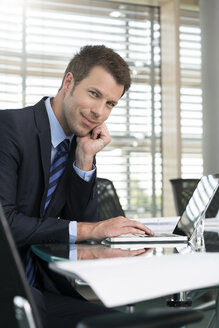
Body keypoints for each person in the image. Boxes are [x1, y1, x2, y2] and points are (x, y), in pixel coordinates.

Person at [0, 45, 153, 327]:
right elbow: (5, 223)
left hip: (44, 287)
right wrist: (90, 229)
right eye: (94, 94)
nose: (99, 113)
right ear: (69, 82)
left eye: (110, 104)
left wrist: (84, 159)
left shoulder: (78, 143)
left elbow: (83, 228)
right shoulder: (9, 127)